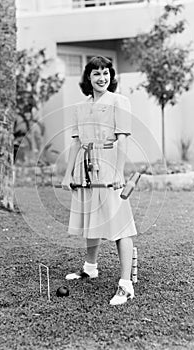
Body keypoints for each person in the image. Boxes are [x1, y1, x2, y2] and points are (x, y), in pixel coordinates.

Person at [61, 56, 137, 305]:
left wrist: (118, 173)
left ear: (111, 76)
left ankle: (126, 285)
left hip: (109, 167)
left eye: (106, 73)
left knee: (120, 224)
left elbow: (123, 139)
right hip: (85, 168)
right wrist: (68, 173)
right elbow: (75, 142)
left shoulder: (119, 101)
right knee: (90, 218)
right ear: (88, 78)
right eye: (96, 74)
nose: (102, 78)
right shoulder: (80, 108)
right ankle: (90, 267)